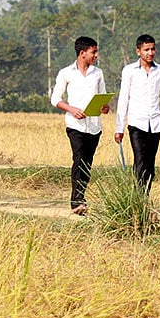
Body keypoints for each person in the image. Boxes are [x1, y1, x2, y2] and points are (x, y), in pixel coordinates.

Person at [115, 34, 160, 194]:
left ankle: (143, 195)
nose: (150, 53)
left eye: (153, 49)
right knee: (140, 160)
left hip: (154, 123)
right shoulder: (129, 71)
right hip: (136, 122)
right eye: (146, 49)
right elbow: (123, 99)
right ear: (138, 51)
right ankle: (139, 200)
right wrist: (119, 128)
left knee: (150, 165)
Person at [51, 36, 109, 215]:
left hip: (94, 126)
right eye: (93, 52)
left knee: (87, 163)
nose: (96, 55)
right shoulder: (66, 73)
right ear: (82, 53)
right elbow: (55, 99)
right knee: (79, 159)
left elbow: (103, 97)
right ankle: (76, 201)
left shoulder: (97, 73)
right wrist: (71, 109)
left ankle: (81, 196)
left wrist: (104, 107)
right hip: (75, 124)